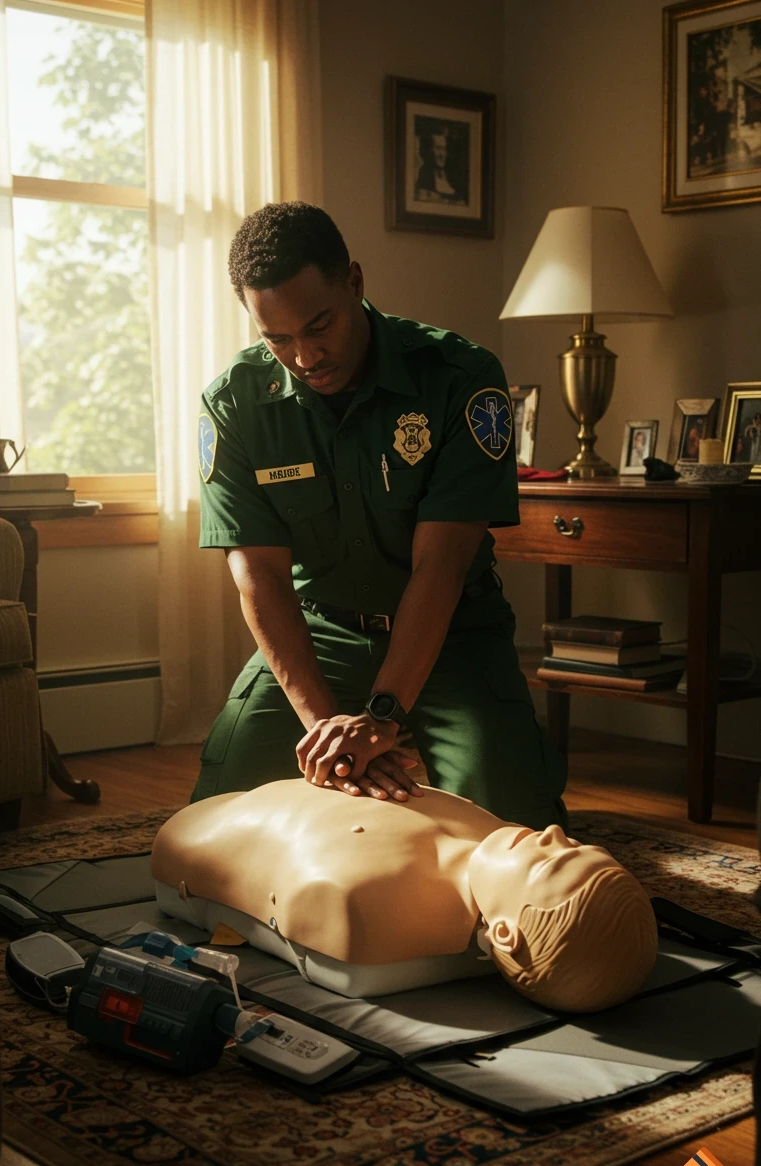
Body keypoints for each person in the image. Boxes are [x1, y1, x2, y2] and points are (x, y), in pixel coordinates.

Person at [193, 201, 566, 831]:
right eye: (277, 339)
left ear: (356, 285)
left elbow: (441, 569)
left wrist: (383, 717)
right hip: (321, 635)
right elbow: (259, 578)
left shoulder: (462, 379)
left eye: (320, 326)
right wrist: (328, 737)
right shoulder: (234, 403)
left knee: (515, 834)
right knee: (215, 826)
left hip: (454, 636)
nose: (305, 356)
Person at [151, 780, 658, 1013]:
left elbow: (348, 957)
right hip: (226, 808)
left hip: (194, 835)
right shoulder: (495, 840)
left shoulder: (367, 902)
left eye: (550, 860)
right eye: (574, 842)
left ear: (503, 933)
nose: (551, 831)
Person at [415, 131, 457, 201]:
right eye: (438, 148)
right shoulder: (423, 177)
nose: (442, 155)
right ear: (429, 150)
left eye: (444, 149)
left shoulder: (452, 177)